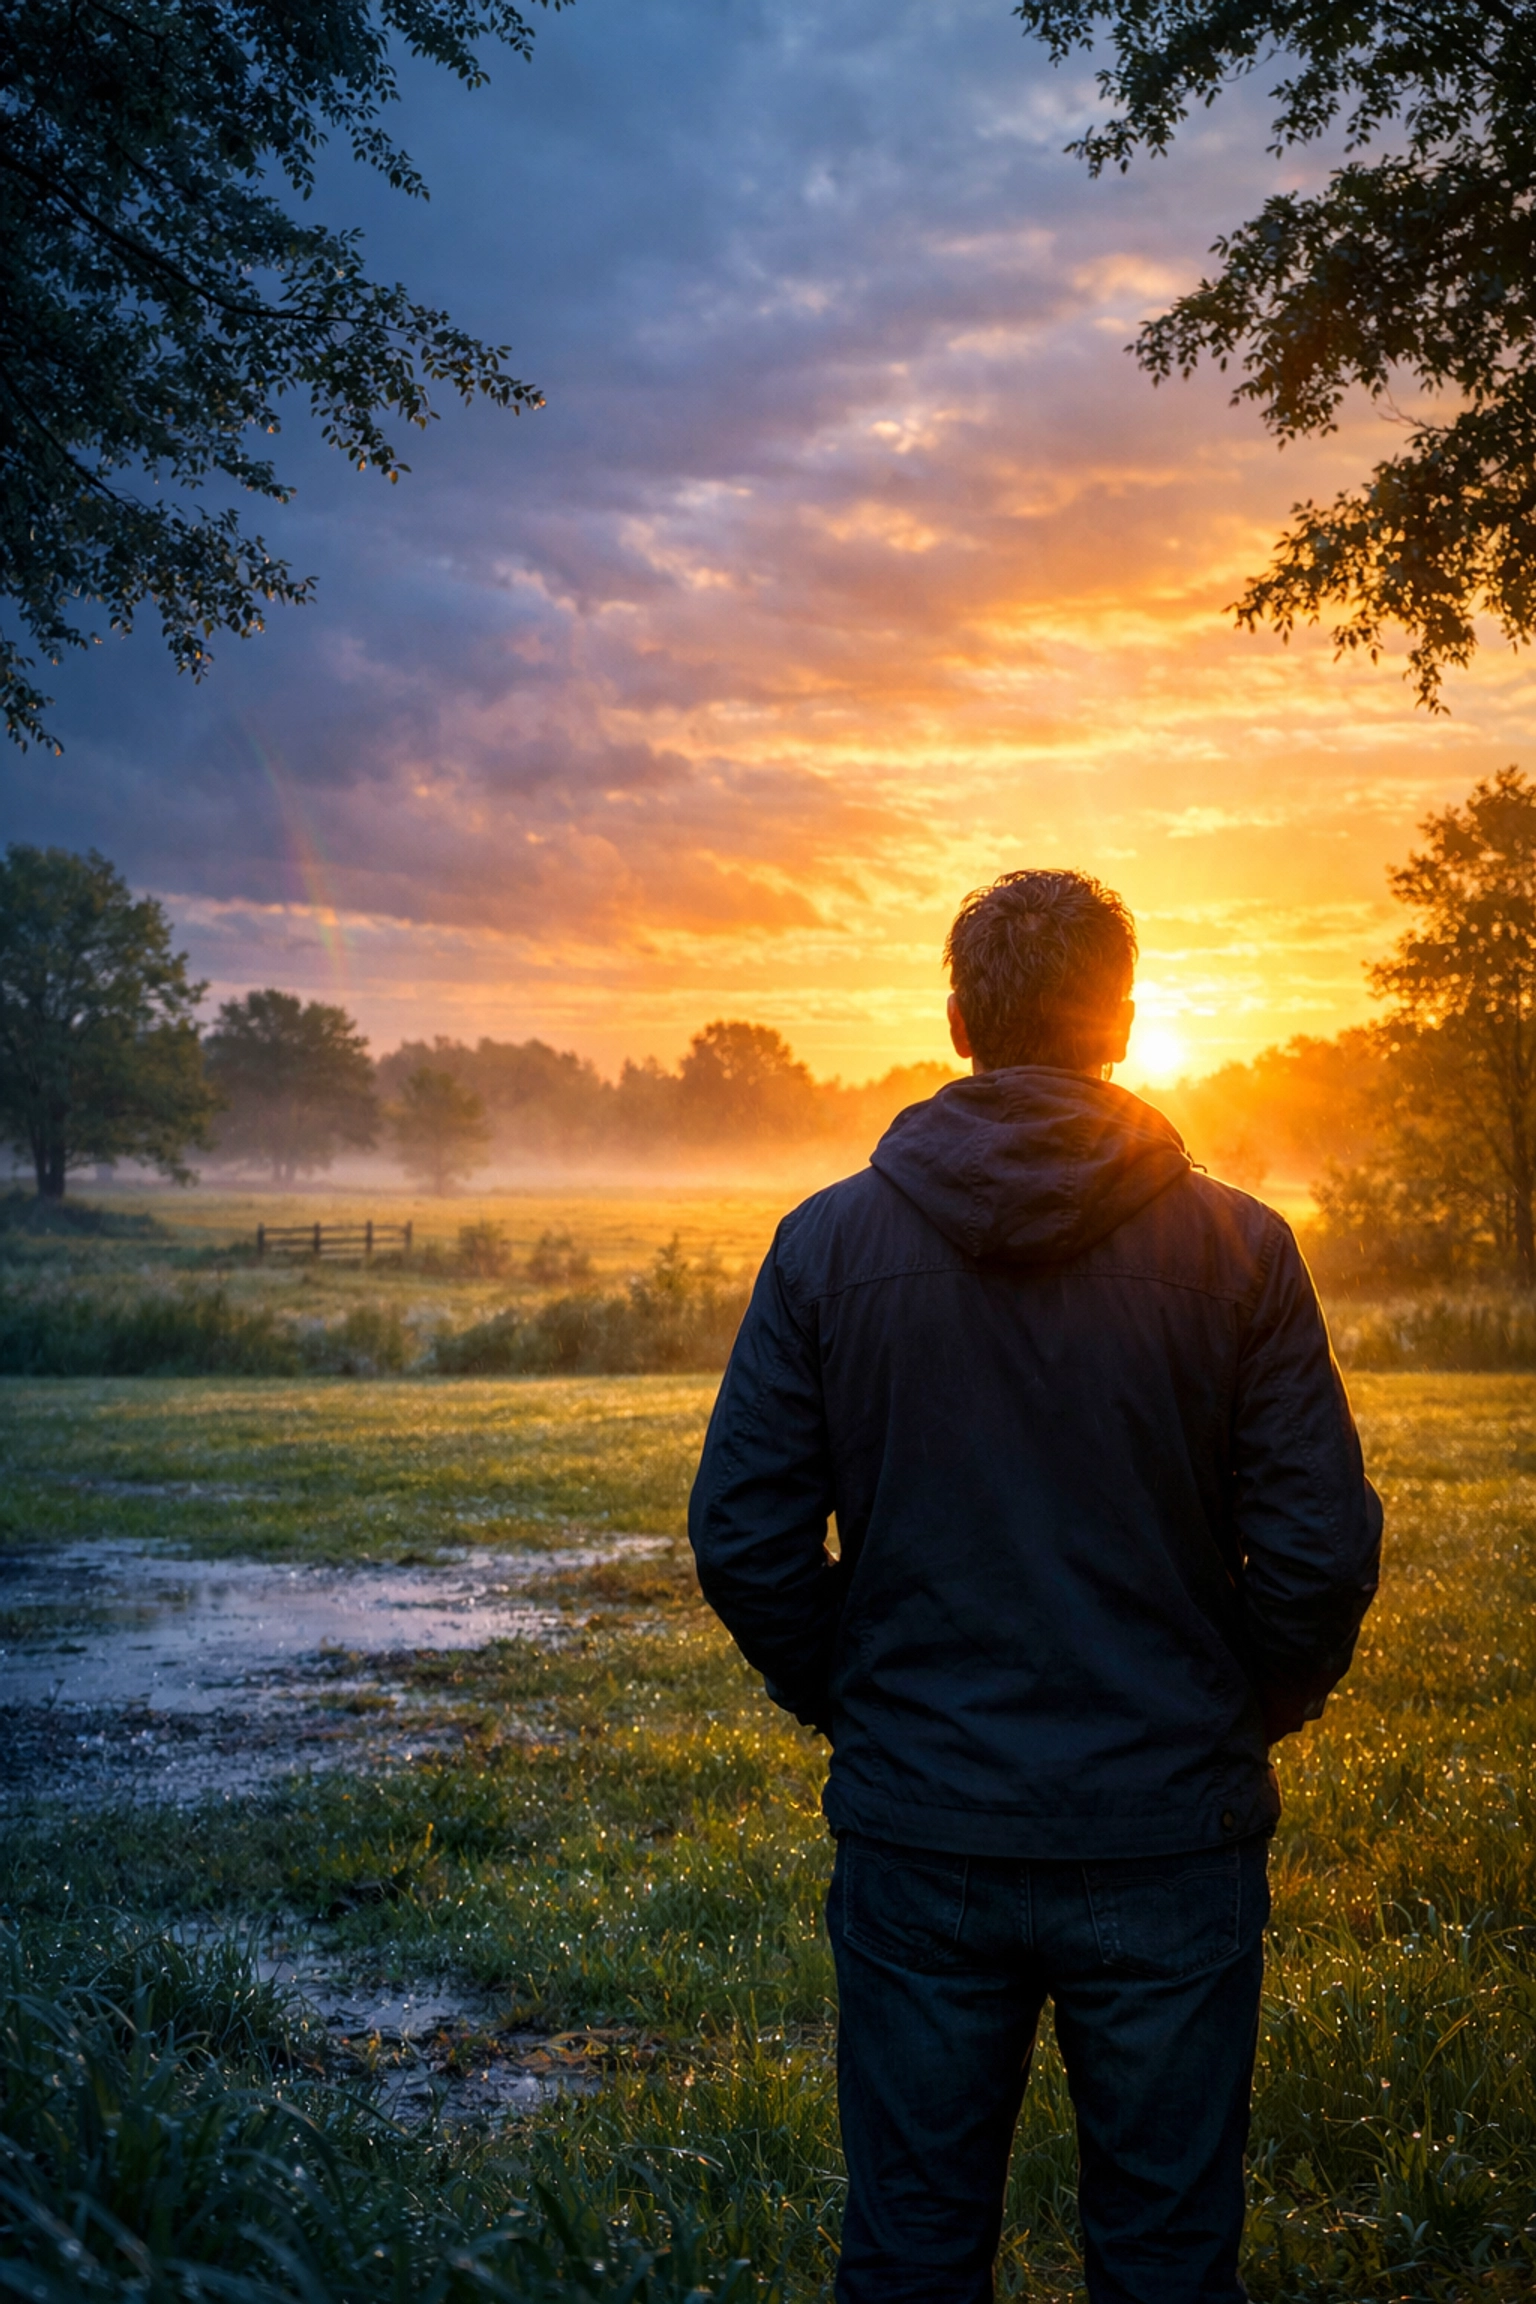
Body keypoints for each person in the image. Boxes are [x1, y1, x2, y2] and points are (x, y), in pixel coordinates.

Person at [688, 868, 1382, 2304]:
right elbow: (1318, 1555)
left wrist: (865, 1704)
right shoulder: (1242, 1250)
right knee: (1170, 2257)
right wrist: (1226, 1710)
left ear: (957, 1020)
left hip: (926, 1824)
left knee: (910, 2251)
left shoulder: (827, 1246)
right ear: (1121, 1024)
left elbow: (747, 1539)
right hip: (1167, 1831)